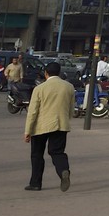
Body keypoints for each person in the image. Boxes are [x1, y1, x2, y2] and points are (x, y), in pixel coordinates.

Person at [23, 60, 75, 192]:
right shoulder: (69, 87)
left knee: (37, 154)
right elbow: (71, 108)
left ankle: (35, 183)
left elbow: (33, 111)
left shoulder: (39, 88)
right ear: (59, 73)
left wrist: (27, 130)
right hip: (61, 124)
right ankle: (63, 170)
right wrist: (66, 119)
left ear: (46, 73)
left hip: (41, 125)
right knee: (57, 152)